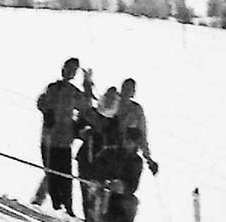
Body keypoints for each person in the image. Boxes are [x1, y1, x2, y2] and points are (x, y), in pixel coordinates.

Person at [34, 57, 92, 215]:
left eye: (73, 70)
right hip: (49, 138)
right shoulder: (53, 88)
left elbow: (86, 108)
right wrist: (48, 112)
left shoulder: (74, 92)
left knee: (65, 175)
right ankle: (55, 205)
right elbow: (41, 102)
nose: (69, 72)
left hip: (64, 140)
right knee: (52, 173)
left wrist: (88, 84)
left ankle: (67, 207)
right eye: (68, 68)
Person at [77, 86, 122, 222]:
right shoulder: (92, 113)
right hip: (86, 157)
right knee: (86, 191)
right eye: (108, 97)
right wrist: (84, 131)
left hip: (104, 162)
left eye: (113, 98)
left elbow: (115, 140)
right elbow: (78, 127)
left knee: (100, 195)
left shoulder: (115, 121)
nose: (109, 100)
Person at [90, 126, 144, 222]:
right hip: (103, 192)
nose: (127, 142)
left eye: (131, 141)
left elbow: (133, 185)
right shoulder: (109, 152)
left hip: (122, 197)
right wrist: (101, 181)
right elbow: (95, 169)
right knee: (101, 203)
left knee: (130, 203)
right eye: (126, 139)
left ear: (136, 144)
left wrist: (122, 187)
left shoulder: (137, 161)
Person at [115, 78, 158, 175]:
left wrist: (148, 159)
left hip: (127, 148)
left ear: (133, 92)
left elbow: (142, 134)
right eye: (125, 88)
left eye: (130, 89)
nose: (126, 91)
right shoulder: (112, 102)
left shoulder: (136, 110)